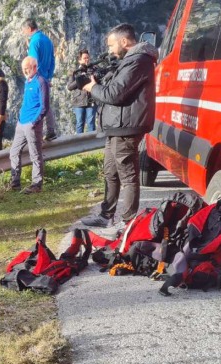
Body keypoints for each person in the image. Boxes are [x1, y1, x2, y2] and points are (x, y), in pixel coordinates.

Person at [81, 24, 157, 231]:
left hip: (127, 127)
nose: (110, 50)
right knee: (110, 172)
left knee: (127, 175)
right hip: (117, 126)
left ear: (124, 42)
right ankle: (107, 215)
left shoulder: (138, 61)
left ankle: (128, 222)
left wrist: (92, 87)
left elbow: (114, 94)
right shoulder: (128, 61)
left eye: (112, 45)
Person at [8, 57, 49, 194]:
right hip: (22, 122)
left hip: (32, 124)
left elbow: (44, 106)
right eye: (24, 68)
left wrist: (34, 122)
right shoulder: (28, 81)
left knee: (35, 154)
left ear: (35, 67)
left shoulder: (41, 82)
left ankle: (36, 184)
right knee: (14, 151)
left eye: (28, 68)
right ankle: (15, 183)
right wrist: (20, 118)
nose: (25, 71)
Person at [21, 18, 58, 141]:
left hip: (37, 77)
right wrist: (48, 77)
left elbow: (32, 62)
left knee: (35, 104)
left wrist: (31, 77)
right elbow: (52, 61)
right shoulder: (47, 40)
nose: (24, 33)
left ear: (29, 29)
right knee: (45, 103)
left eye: (24, 30)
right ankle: (51, 130)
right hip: (46, 77)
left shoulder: (34, 41)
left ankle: (34, 132)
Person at [68, 49, 96, 133]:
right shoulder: (75, 72)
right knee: (80, 123)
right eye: (84, 58)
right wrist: (79, 79)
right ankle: (79, 143)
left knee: (91, 122)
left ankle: (92, 143)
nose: (87, 60)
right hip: (78, 101)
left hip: (91, 100)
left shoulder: (93, 69)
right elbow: (69, 87)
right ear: (79, 60)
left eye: (88, 58)